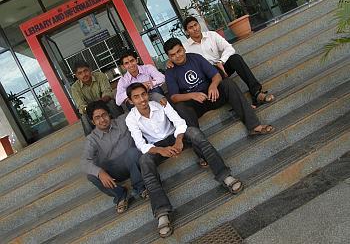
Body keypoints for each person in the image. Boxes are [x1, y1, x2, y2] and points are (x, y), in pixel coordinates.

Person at [125, 82, 243, 238]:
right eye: (136, 97)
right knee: (144, 162)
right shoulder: (130, 118)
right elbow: (141, 144)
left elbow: (179, 122)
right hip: (157, 147)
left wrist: (179, 140)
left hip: (175, 135)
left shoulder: (160, 103)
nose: (141, 99)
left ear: (147, 94)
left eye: (143, 94)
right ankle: (162, 213)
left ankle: (225, 176)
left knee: (195, 133)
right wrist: (161, 150)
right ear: (130, 101)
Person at [163, 37, 274, 135]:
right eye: (173, 55)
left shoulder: (196, 58)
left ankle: (254, 126)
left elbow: (216, 75)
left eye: (179, 51)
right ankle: (203, 151)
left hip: (213, 95)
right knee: (181, 108)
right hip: (196, 105)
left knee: (228, 83)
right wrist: (192, 95)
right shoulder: (170, 72)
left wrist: (213, 85)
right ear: (169, 57)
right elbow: (174, 97)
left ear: (184, 48)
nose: (178, 56)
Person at [170, 16, 275, 108]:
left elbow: (229, 48)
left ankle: (256, 92)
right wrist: (170, 62)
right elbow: (177, 58)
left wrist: (221, 61)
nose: (195, 29)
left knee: (236, 58)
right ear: (187, 32)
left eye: (195, 25)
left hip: (221, 67)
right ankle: (245, 105)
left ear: (199, 25)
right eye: (190, 28)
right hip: (206, 78)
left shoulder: (211, 35)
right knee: (217, 72)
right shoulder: (185, 47)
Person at [81, 100, 148, 214]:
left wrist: (159, 98)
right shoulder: (91, 139)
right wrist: (99, 172)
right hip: (114, 173)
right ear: (93, 122)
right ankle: (120, 194)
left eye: (104, 115)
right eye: (97, 118)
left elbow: (141, 107)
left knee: (132, 152)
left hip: (134, 162)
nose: (102, 120)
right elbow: (84, 162)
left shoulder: (123, 120)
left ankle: (140, 187)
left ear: (109, 114)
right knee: (91, 176)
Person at [71, 60, 124, 135]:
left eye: (85, 71)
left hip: (104, 103)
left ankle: (123, 126)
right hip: (90, 110)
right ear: (76, 76)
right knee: (84, 117)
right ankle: (92, 139)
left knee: (111, 103)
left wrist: (98, 104)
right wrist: (91, 109)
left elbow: (107, 93)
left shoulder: (100, 76)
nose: (84, 74)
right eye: (80, 73)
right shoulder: (75, 88)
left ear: (90, 70)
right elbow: (81, 106)